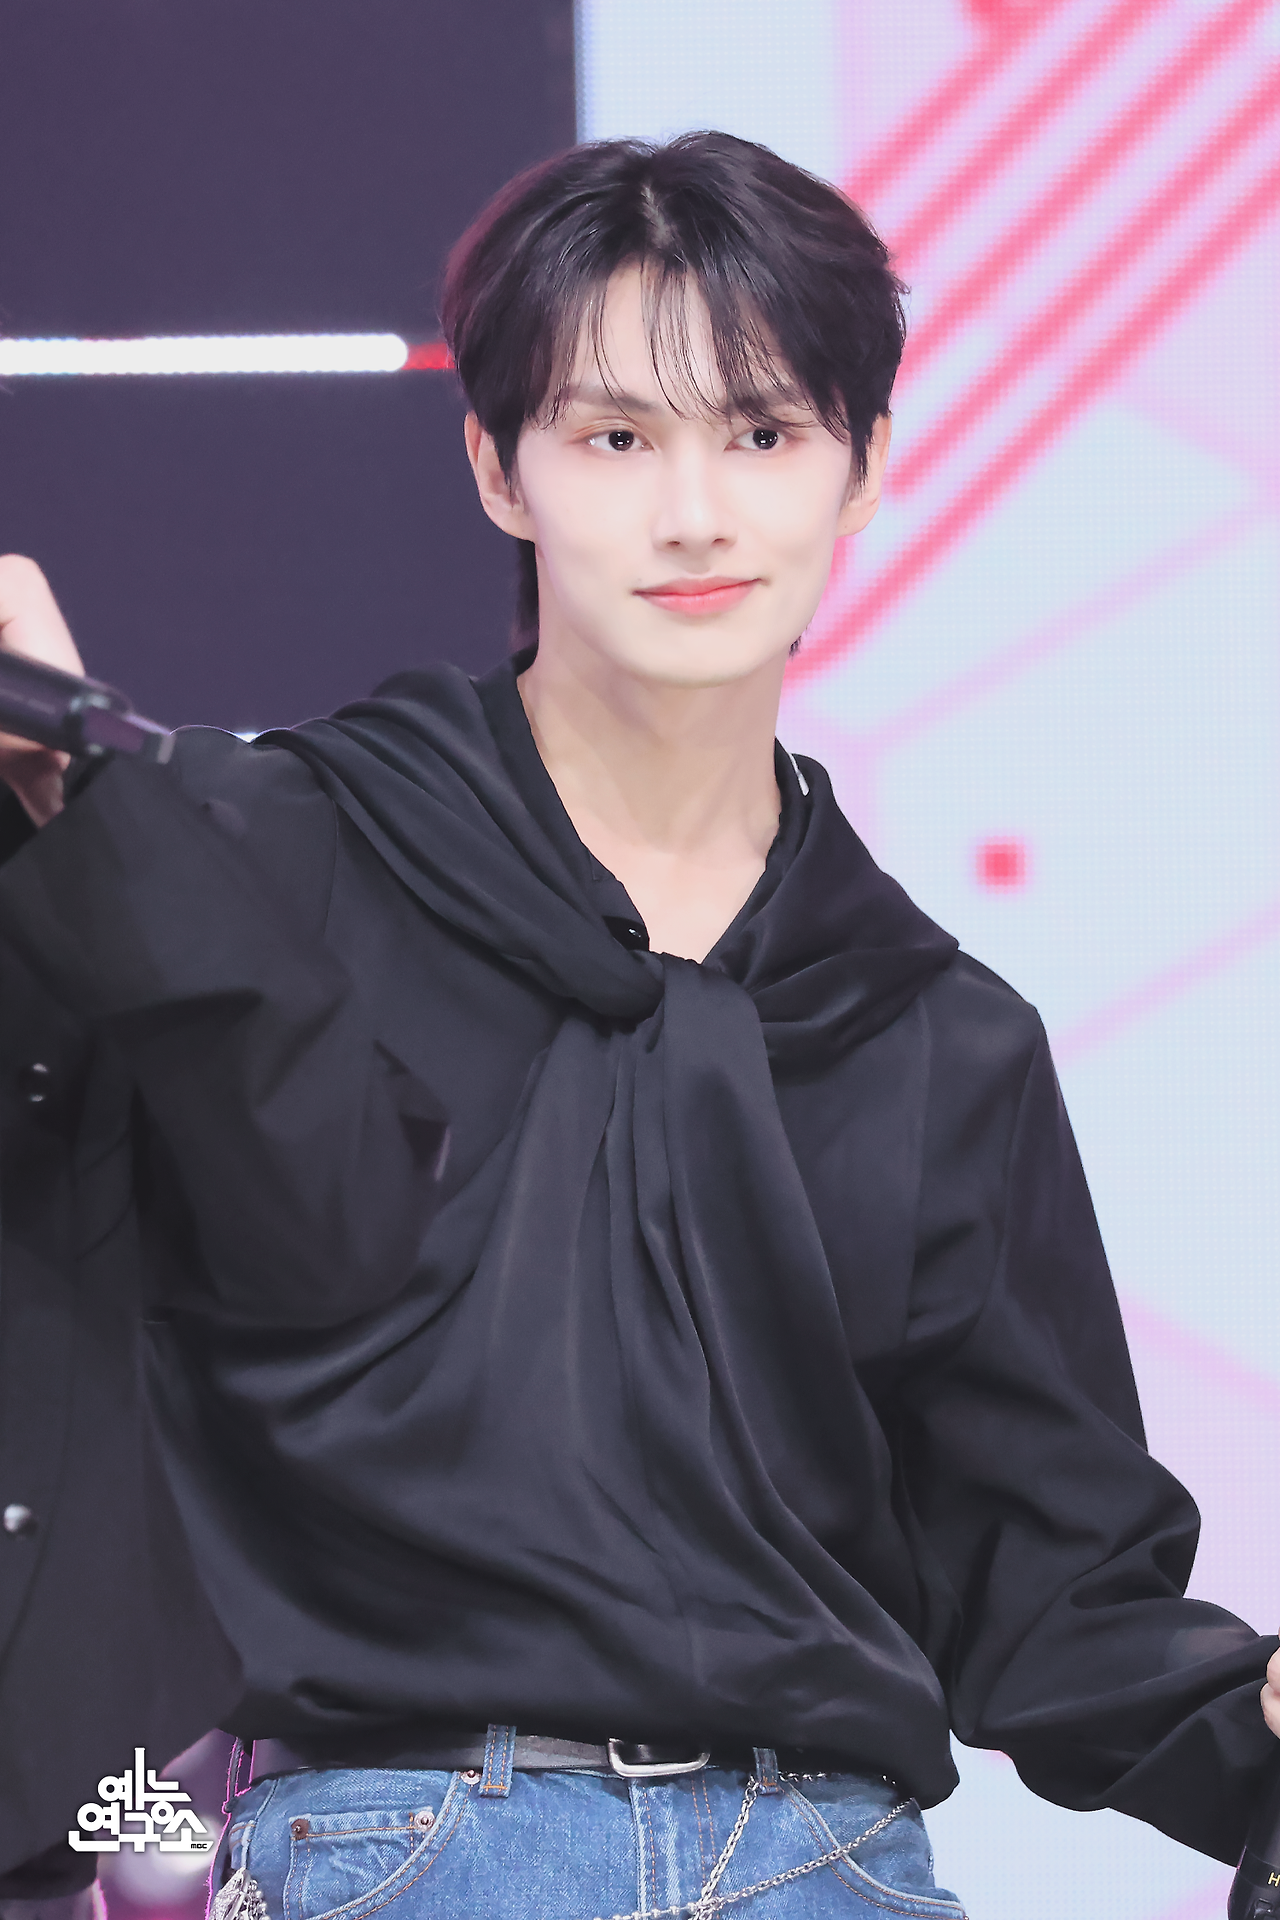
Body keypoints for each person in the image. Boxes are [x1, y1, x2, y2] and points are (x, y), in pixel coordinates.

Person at [0, 130, 1277, 1920]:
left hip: (834, 1861)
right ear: (497, 466)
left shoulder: (933, 1029)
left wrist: (1250, 1716)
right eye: (616, 438)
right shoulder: (254, 860)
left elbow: (1051, 1588)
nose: (695, 513)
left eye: (762, 435)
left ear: (865, 467)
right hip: (405, 1844)